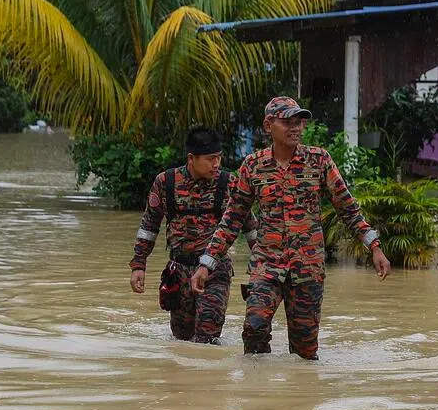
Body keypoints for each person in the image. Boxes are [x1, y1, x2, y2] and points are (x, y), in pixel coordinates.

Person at [191, 96, 391, 358]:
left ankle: (300, 394)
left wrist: (374, 246)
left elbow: (347, 208)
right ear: (268, 125)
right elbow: (231, 220)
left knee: (305, 351)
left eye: (299, 122)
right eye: (287, 122)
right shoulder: (253, 166)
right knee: (254, 328)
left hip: (307, 268)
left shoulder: (319, 161)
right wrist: (207, 264)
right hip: (266, 266)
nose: (295, 128)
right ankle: (258, 391)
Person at [130, 127, 255, 343]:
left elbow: (251, 227)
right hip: (178, 272)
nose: (216, 164)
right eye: (210, 159)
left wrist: (262, 265)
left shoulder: (229, 184)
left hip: (215, 271)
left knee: (206, 338)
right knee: (182, 340)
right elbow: (149, 225)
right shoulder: (165, 182)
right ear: (191, 158)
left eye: (219, 158)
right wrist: (139, 265)